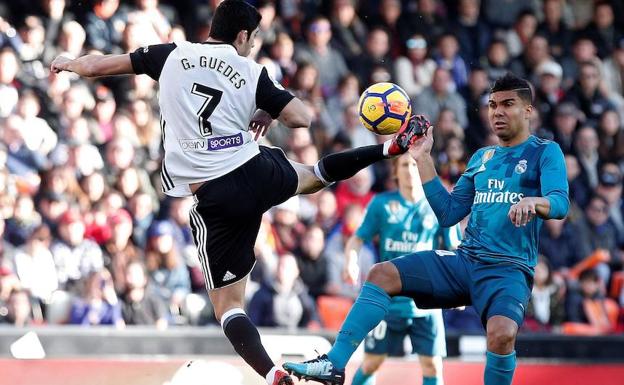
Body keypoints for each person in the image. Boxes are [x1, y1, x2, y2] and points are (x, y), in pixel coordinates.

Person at [50, 1, 427, 384]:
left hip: (214, 196)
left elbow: (97, 67)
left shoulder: (170, 54)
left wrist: (69, 61)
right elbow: (302, 118)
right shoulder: (251, 70)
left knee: (228, 308)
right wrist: (267, 110)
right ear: (243, 35)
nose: (252, 45)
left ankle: (271, 373)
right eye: (253, 38)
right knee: (313, 176)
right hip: (254, 170)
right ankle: (387, 149)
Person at [284, 72, 569, 385]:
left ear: (528, 110)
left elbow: (560, 203)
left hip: (508, 269)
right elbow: (448, 213)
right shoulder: (482, 157)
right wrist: (422, 158)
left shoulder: (545, 151)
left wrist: (534, 202)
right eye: (492, 105)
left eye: (507, 104)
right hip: (466, 261)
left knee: (501, 335)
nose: (497, 112)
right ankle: (333, 364)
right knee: (381, 273)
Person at [343, 152, 462, 385]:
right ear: (395, 171)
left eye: (415, 165)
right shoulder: (382, 204)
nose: (410, 170)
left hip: (427, 302)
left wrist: (459, 285)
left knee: (432, 365)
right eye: (405, 165)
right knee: (371, 362)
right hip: (389, 301)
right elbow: (356, 239)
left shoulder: (438, 205)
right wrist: (351, 260)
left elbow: (455, 248)